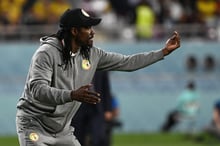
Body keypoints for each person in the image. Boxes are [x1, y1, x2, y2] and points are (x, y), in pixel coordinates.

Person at [15, 8, 180, 146]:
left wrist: (163, 52)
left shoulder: (92, 54)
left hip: (62, 130)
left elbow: (128, 62)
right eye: (87, 28)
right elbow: (37, 90)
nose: (92, 33)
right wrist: (71, 95)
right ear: (74, 31)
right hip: (34, 125)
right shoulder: (46, 53)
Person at [71, 71, 113, 146]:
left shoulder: (101, 64)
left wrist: (108, 109)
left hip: (97, 107)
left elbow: (106, 87)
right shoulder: (75, 63)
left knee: (98, 136)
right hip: (78, 106)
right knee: (78, 136)